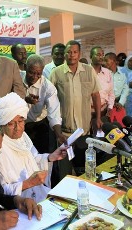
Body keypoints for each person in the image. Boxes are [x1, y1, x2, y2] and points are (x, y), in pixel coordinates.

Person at [0, 92, 68, 202]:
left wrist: (51, 157)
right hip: (19, 205)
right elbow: (0, 191)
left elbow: (33, 159)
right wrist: (28, 183)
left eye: (21, 121)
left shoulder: (23, 137)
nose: (17, 128)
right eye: (11, 124)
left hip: (39, 194)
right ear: (1, 124)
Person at [50, 40, 101, 177]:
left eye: (75, 52)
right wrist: (57, 131)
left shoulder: (89, 71)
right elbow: (50, 101)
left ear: (79, 54)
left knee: (85, 171)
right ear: (65, 54)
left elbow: (96, 95)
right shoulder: (56, 73)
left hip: (84, 132)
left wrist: (98, 118)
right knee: (64, 173)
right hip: (64, 135)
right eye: (69, 52)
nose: (72, 55)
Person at [90, 46, 115, 118]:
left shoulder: (107, 73)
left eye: (102, 54)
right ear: (91, 56)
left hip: (104, 111)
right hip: (88, 112)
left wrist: (110, 107)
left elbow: (111, 93)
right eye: (98, 55)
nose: (101, 57)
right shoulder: (85, 72)